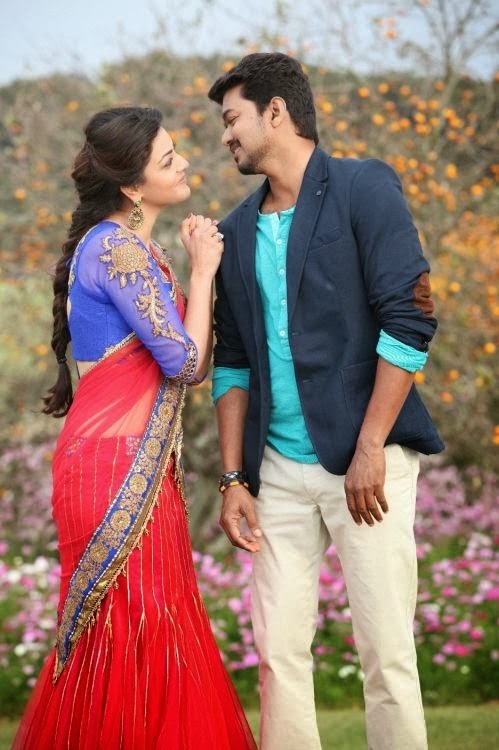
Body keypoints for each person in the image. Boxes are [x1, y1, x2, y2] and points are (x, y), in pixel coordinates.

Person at [207, 53, 445, 750]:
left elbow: (410, 318)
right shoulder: (235, 231)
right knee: (277, 656)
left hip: (368, 463)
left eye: (232, 118)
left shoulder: (363, 187)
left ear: (275, 112)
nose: (225, 135)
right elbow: (231, 361)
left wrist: (370, 447)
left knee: (385, 652)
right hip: (277, 473)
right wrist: (233, 478)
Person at [13, 106, 257, 750]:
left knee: (151, 626)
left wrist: (196, 274)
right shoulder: (117, 248)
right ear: (131, 185)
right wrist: (202, 271)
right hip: (116, 468)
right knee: (133, 627)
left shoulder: (129, 247)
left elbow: (183, 357)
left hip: (130, 462)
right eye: (169, 159)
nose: (185, 165)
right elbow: (187, 364)